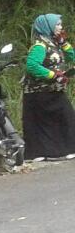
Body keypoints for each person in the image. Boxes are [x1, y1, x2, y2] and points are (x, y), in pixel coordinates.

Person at [22, 13, 75, 162]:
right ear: (48, 27)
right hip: (38, 92)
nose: (60, 27)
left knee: (64, 118)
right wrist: (53, 75)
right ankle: (43, 152)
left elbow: (73, 57)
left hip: (53, 90)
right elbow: (32, 66)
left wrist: (64, 43)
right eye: (57, 24)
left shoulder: (54, 43)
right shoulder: (40, 45)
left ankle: (63, 150)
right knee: (57, 119)